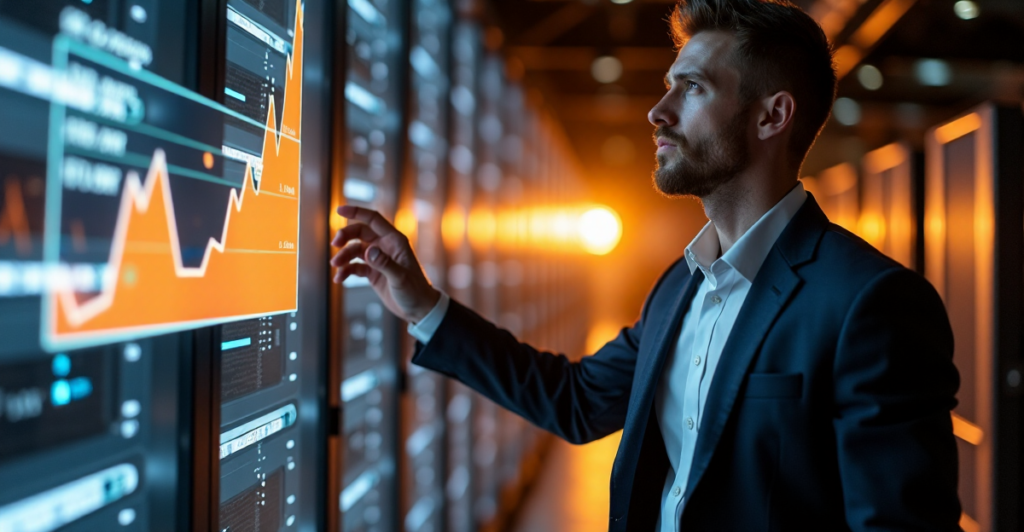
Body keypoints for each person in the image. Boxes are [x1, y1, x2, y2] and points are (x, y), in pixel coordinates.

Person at [330, 0, 962, 529]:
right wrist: (422, 307)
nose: (657, 112)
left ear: (773, 115)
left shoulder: (871, 303)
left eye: (692, 88)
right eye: (668, 86)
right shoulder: (681, 286)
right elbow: (576, 401)